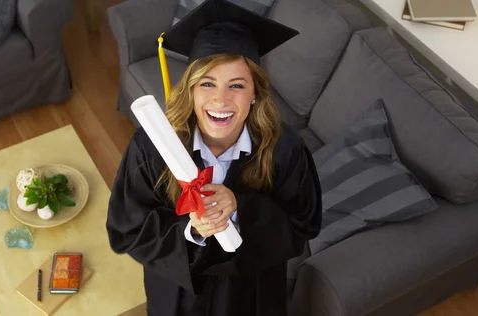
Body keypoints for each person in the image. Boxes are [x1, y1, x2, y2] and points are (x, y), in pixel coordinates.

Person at [106, 0, 322, 315]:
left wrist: (239, 208)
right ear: (190, 89)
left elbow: (302, 227)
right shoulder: (151, 147)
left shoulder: (284, 148)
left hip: (251, 293)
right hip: (180, 292)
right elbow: (126, 229)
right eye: (207, 83)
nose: (220, 99)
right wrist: (191, 231)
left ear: (255, 94)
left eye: (237, 85)